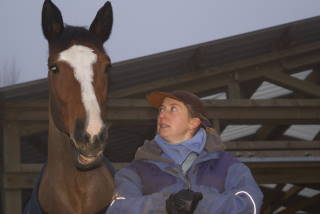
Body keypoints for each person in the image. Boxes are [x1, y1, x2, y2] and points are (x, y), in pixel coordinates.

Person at [106, 90, 263, 214]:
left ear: (193, 122)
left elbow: (251, 204)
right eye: (161, 109)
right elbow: (118, 208)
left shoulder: (226, 164)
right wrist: (164, 204)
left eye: (173, 109)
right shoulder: (136, 170)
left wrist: (201, 204)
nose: (162, 115)